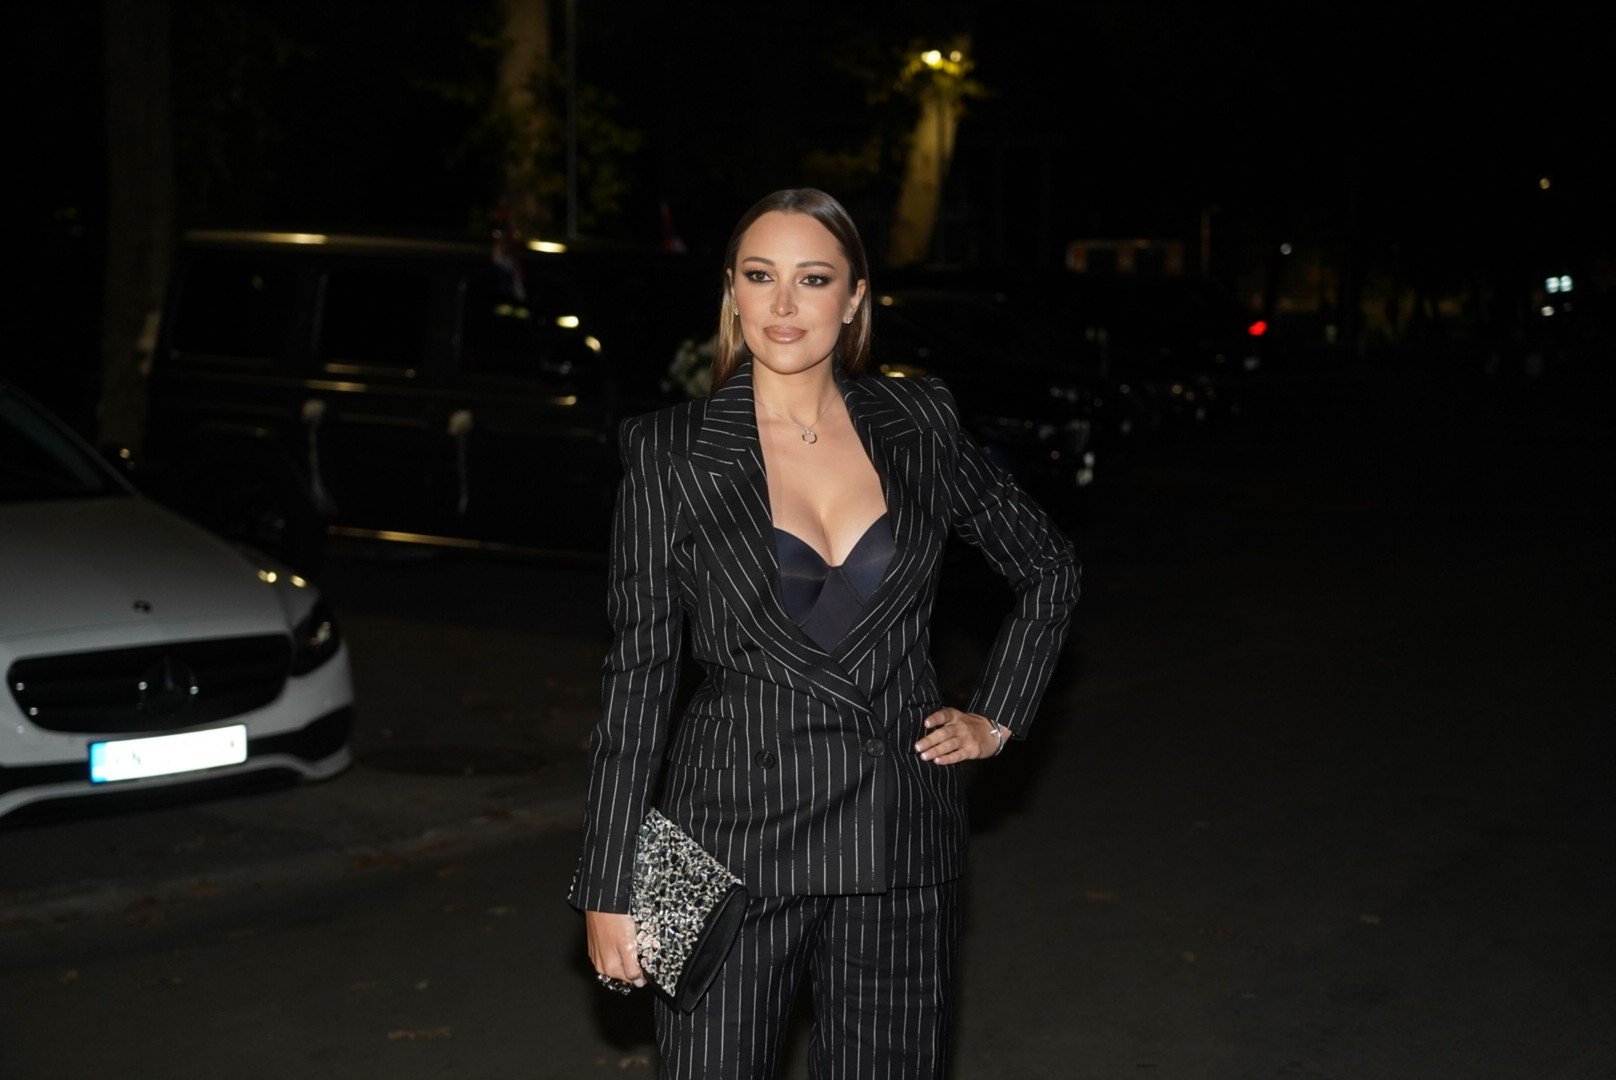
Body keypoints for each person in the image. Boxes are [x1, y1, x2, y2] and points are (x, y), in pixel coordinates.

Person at [570, 188, 1079, 1079]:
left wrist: (996, 715)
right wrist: (609, 881)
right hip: (723, 842)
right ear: (731, 291)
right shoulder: (669, 450)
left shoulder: (917, 421)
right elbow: (639, 676)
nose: (782, 304)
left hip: (900, 840)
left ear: (853, 298)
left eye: (812, 279)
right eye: (759, 276)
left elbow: (1048, 566)